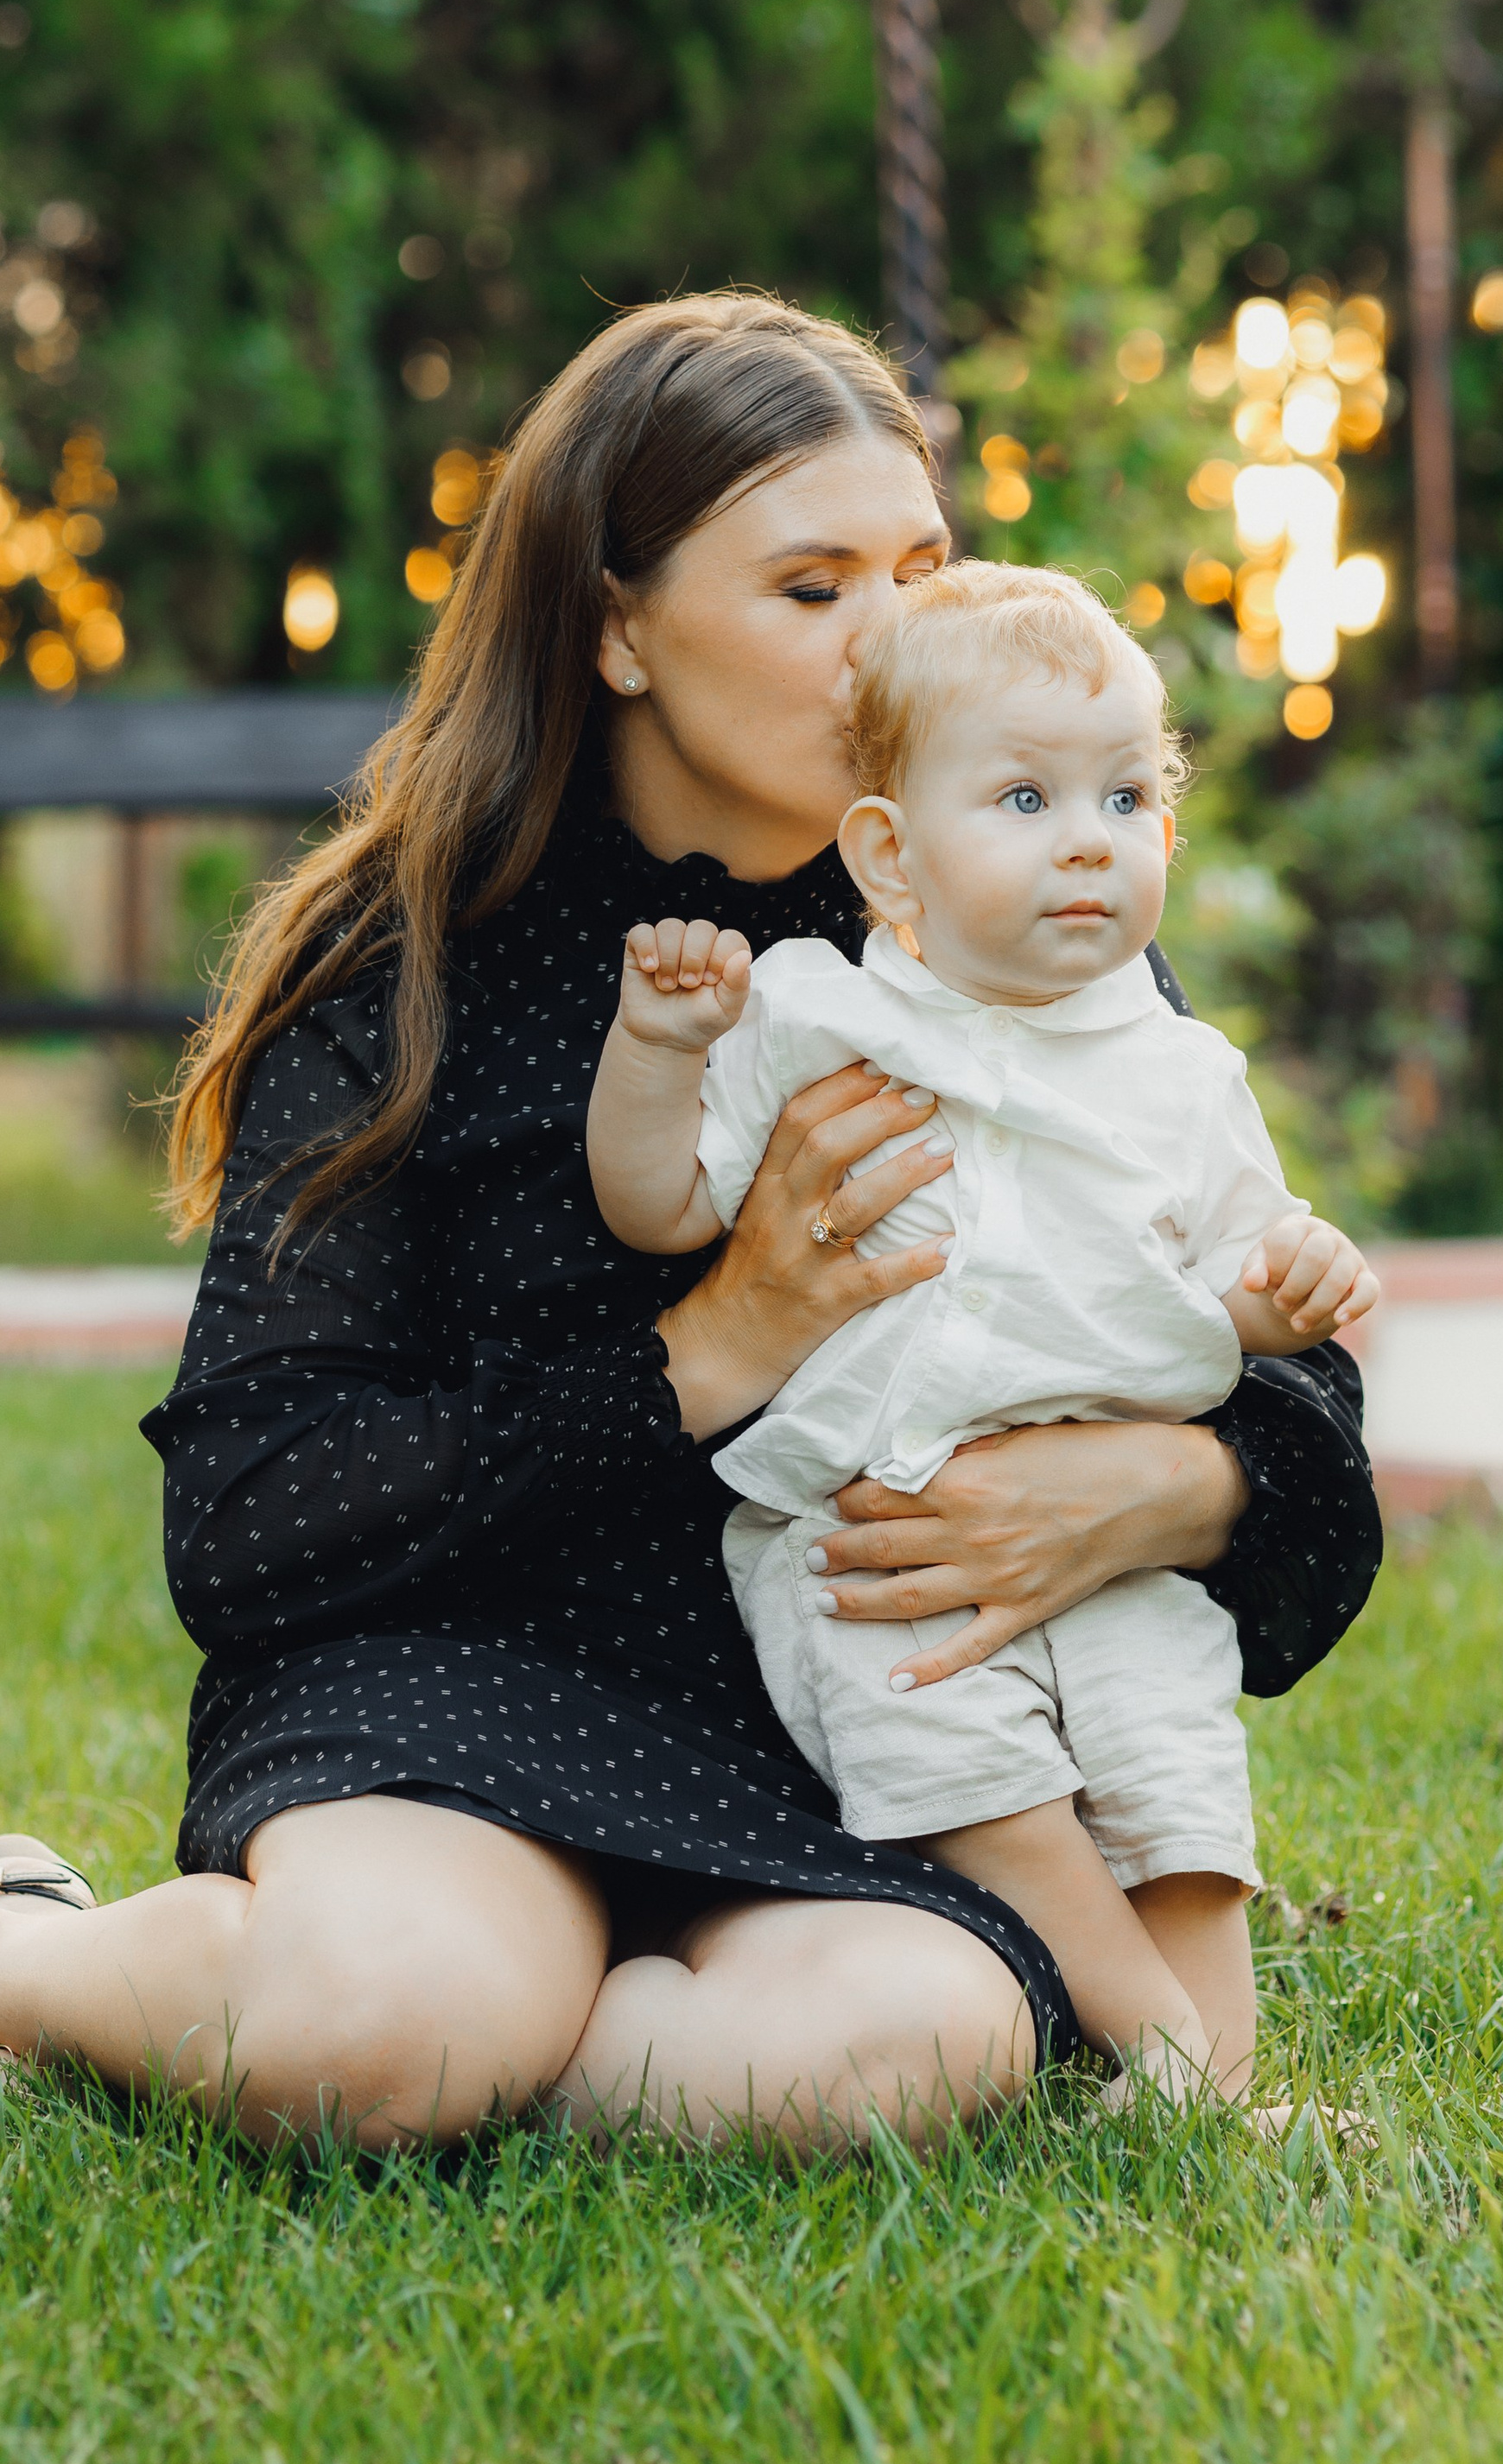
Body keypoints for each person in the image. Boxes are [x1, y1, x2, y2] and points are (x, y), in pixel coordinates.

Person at [0, 295, 1380, 2149]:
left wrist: (1170, 1488)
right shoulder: (406, 963)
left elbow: (1295, 1414)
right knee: (386, 2038)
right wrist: (715, 1344)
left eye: (922, 569)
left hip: (843, 1736)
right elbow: (245, 1526)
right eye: (812, 588)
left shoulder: (997, 913)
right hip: (459, 1689)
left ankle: (327, 2021)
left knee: (906, 2050)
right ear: (617, 626)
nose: (899, 636)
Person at [587, 560, 1379, 2115]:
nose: (1090, 835)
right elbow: (661, 1205)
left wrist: (1284, 1294)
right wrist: (659, 1047)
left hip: (1115, 1544)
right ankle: (1157, 2054)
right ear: (888, 854)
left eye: (1128, 795)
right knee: (981, 1772)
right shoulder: (814, 1010)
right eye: (1023, 798)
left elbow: (1234, 1307)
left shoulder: (1182, 1072)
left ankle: (1220, 2085)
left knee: (1179, 1785)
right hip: (865, 1531)